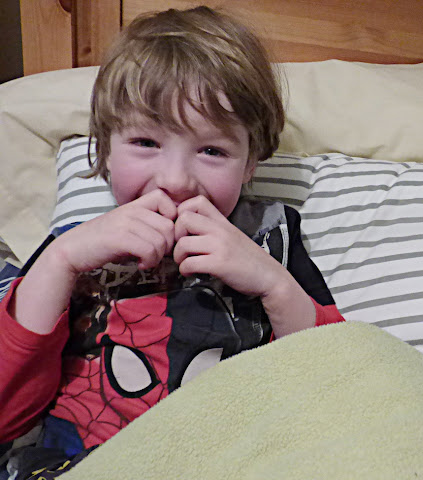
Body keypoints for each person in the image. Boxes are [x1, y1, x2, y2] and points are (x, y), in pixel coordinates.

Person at [0, 6, 344, 478]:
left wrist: (274, 285)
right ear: (105, 148)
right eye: (145, 142)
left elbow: (338, 387)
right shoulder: (71, 249)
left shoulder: (271, 239)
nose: (176, 179)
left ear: (250, 164)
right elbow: (6, 414)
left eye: (212, 150)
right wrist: (59, 262)